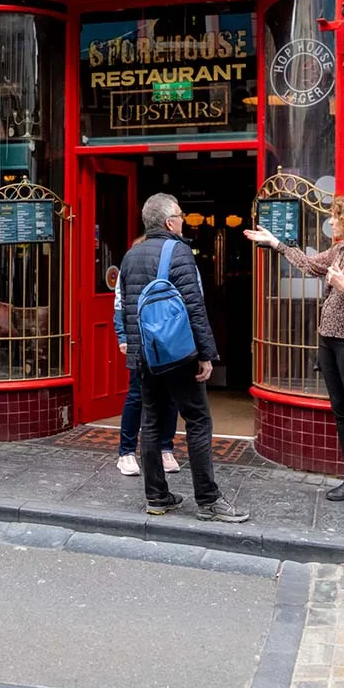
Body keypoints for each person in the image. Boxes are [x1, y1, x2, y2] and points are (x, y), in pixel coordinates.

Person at [245, 193, 344, 508]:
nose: (332, 222)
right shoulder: (342, 249)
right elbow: (312, 265)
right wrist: (277, 243)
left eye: (337, 217)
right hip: (330, 341)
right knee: (342, 412)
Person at [118, 193, 248, 523]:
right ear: (168, 221)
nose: (183, 219)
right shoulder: (178, 250)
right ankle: (208, 499)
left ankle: (157, 497)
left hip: (146, 356)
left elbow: (129, 310)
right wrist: (206, 355)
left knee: (151, 422)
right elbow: (194, 306)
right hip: (178, 354)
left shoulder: (131, 256)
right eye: (180, 214)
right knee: (198, 421)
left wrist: (134, 352)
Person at [113, 236, 179, 477]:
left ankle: (165, 448)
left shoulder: (165, 265)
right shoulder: (128, 265)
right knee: (136, 395)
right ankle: (126, 452)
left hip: (164, 340)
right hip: (139, 342)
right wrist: (122, 336)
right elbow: (120, 304)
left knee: (169, 395)